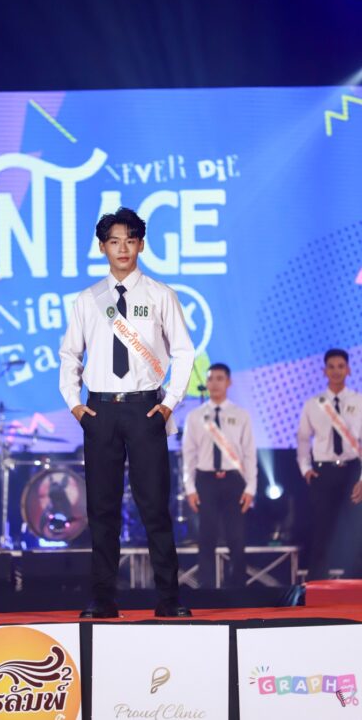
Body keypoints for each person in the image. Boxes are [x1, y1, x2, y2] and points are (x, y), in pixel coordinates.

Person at [59, 207, 195, 618]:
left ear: (141, 245)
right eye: (114, 241)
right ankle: (103, 600)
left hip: (145, 410)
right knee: (102, 510)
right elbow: (70, 355)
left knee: (155, 507)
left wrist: (169, 403)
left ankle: (169, 600)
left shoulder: (159, 294)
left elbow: (184, 351)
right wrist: (76, 405)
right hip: (99, 412)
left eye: (130, 240)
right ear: (102, 247)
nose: (122, 248)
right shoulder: (88, 300)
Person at [183, 363, 257, 587]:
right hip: (205, 480)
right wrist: (190, 488)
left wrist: (251, 487)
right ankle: (206, 591)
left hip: (234, 480)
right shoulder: (195, 416)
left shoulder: (240, 415)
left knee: (236, 537)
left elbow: (249, 453)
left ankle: (238, 590)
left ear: (229, 382)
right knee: (206, 537)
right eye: (211, 379)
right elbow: (189, 454)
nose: (214, 383)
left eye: (219, 378)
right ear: (206, 383)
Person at [297, 348, 362, 580]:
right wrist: (306, 468)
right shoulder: (314, 404)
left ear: (349, 370)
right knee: (322, 531)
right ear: (324, 371)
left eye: (341, 366)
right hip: (323, 472)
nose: (336, 371)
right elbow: (303, 438)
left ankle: (356, 585)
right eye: (331, 367)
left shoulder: (359, 401)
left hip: (353, 471)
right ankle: (318, 587)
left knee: (356, 531)